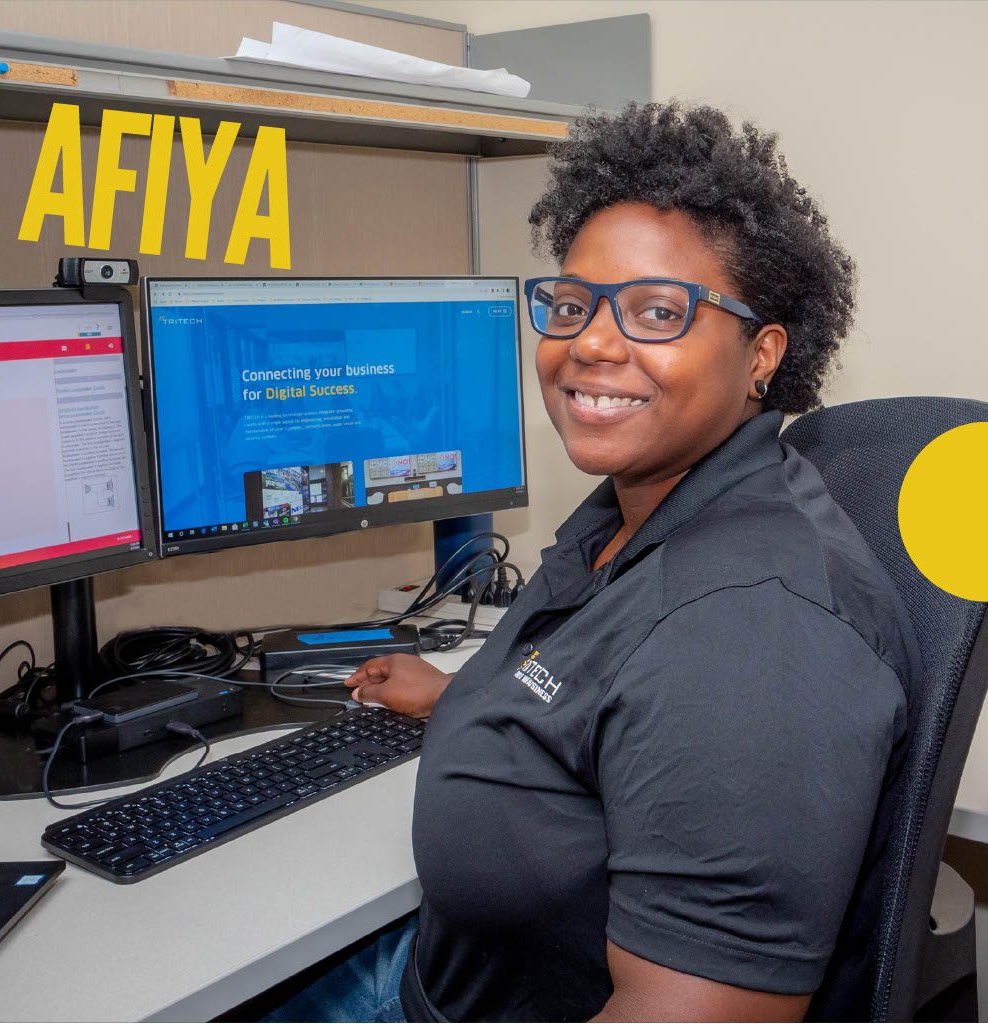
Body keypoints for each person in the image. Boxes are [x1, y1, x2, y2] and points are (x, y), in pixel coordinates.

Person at [263, 101, 917, 1023]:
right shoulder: (634, 513)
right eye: (571, 304)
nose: (591, 342)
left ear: (762, 353)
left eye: (658, 311)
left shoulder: (752, 637)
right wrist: (460, 695)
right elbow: (602, 697)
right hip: (445, 972)